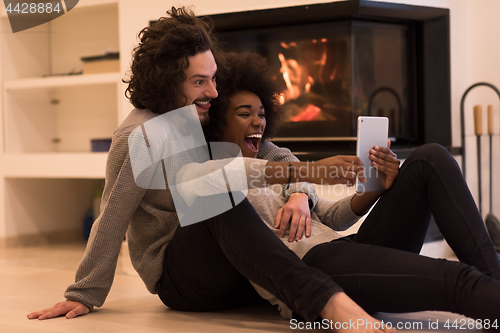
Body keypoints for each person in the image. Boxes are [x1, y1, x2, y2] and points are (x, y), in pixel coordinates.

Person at [27, 7, 397, 333]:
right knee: (215, 192)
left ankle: (340, 288)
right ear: (167, 82)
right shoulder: (140, 136)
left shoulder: (200, 116)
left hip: (232, 261)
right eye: (200, 81)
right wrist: (84, 293)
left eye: (214, 78)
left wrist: (301, 191)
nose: (214, 92)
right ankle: (327, 303)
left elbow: (279, 158)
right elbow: (112, 216)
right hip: (182, 276)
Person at [202, 51, 500, 322]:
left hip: (342, 250)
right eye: (245, 114)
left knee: (430, 158)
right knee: (456, 278)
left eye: (262, 114)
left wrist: (374, 190)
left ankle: (495, 280)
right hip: (315, 272)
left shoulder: (275, 169)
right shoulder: (216, 176)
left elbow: (331, 218)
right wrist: (309, 176)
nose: (258, 123)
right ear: (217, 125)